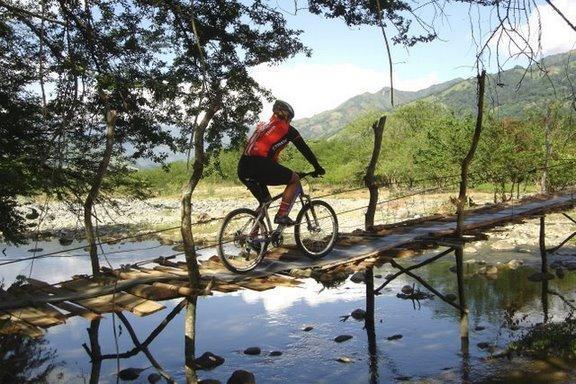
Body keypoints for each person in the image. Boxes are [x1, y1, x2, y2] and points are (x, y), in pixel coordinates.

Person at [238, 100, 325, 225]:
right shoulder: (288, 130)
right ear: (288, 117)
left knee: (265, 201)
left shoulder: (264, 126)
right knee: (294, 179)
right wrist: (317, 167)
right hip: (259, 165)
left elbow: (266, 155)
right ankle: (282, 215)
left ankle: (252, 237)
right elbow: (304, 149)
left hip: (243, 167)